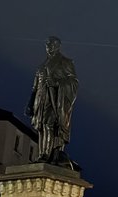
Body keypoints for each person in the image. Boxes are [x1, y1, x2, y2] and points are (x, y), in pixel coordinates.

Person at [25, 36, 79, 165]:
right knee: (41, 127)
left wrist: (57, 83)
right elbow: (35, 87)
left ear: (58, 46)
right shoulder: (41, 66)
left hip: (55, 102)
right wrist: (30, 103)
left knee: (49, 125)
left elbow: (73, 82)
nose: (49, 47)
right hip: (41, 101)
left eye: (52, 45)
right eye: (47, 45)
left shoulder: (65, 62)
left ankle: (46, 155)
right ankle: (42, 154)